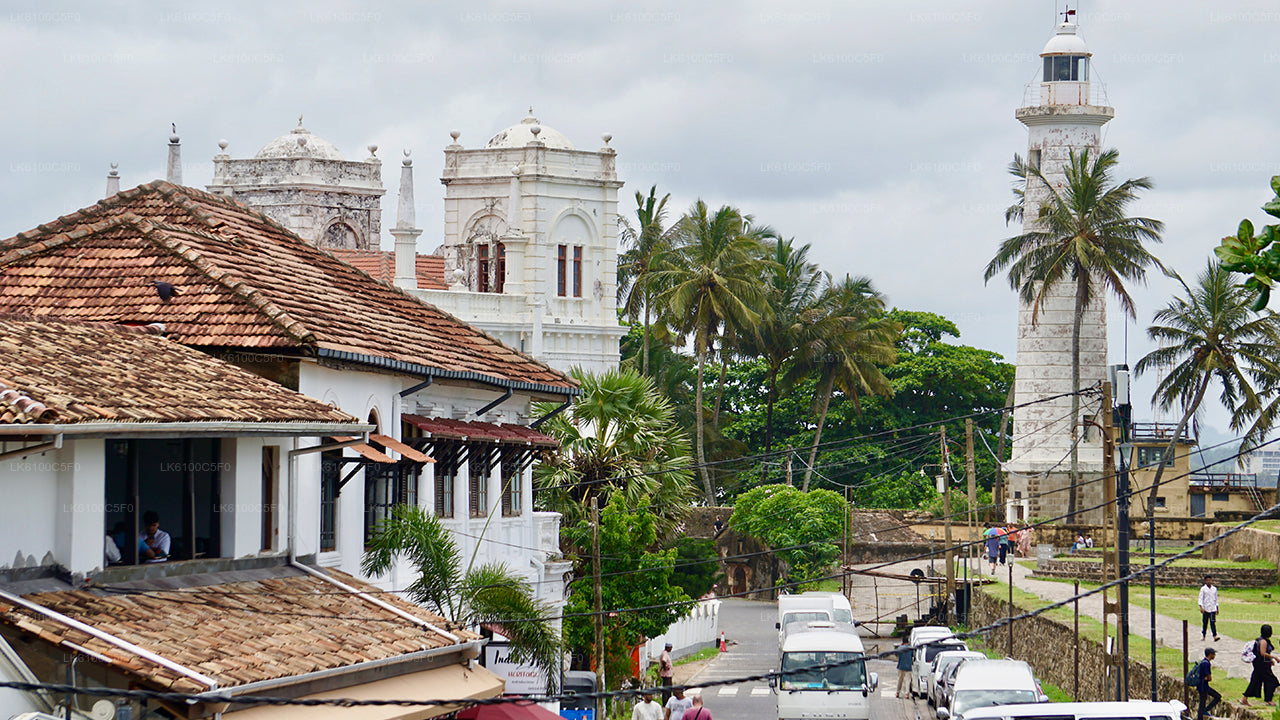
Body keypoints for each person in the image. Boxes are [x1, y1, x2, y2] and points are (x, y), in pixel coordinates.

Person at [1243, 624, 1279, 706]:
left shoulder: (1261, 640)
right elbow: (1263, 653)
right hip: (1262, 665)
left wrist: (1270, 660)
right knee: (1272, 681)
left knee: (1255, 680)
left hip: (1261, 664)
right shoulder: (1263, 641)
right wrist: (1273, 657)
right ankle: (1268, 699)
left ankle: (1245, 698)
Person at [1197, 647, 1220, 720]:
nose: (1215, 655)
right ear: (1210, 654)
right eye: (1213, 654)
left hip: (1201, 685)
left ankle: (1204, 712)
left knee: (1202, 703)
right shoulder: (1206, 664)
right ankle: (1204, 712)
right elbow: (1209, 678)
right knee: (1217, 697)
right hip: (1204, 686)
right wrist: (1207, 678)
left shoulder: (1203, 661)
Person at [1199, 575, 1220, 642]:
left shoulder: (1214, 589)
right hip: (1206, 609)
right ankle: (1204, 635)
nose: (1209, 581)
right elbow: (1200, 598)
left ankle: (1214, 636)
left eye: (1210, 580)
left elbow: (1215, 599)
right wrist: (1201, 607)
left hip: (1212, 609)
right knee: (1205, 623)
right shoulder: (1203, 589)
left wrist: (1217, 608)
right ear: (1205, 581)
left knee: (1212, 622)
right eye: (1207, 580)